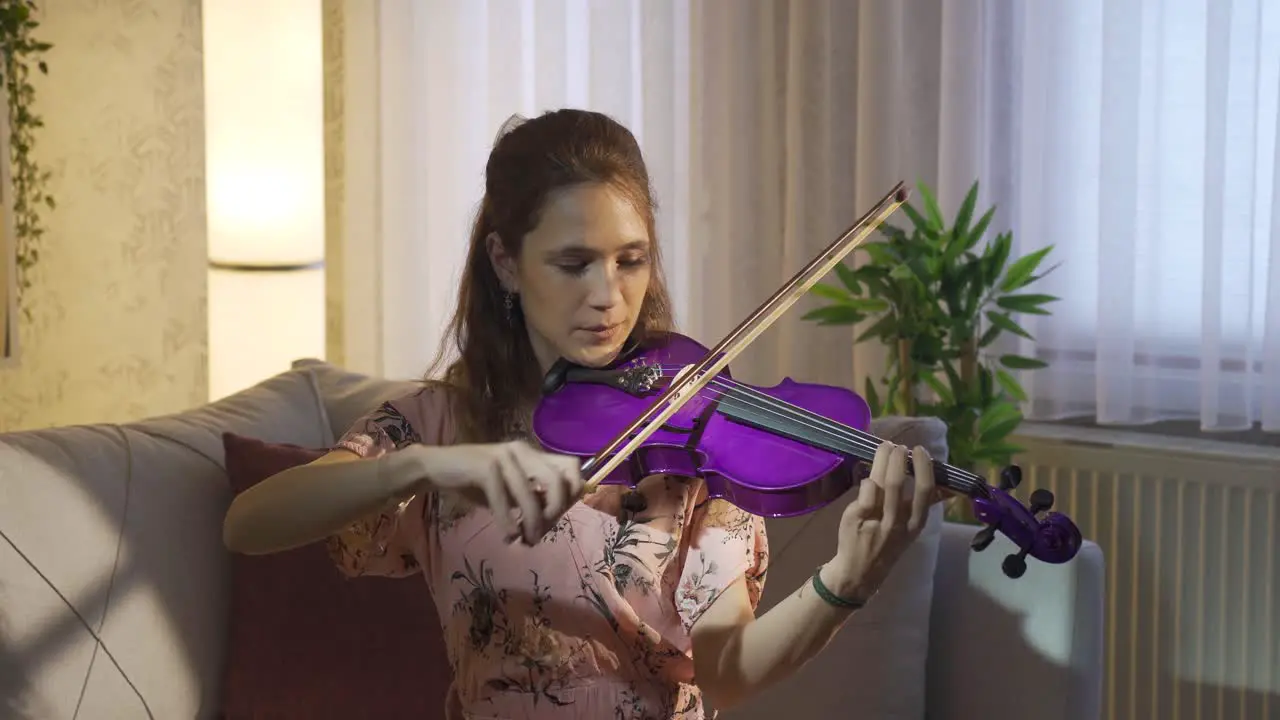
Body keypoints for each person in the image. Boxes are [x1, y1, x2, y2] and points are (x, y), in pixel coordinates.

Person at [222, 108, 948, 719]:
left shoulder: (695, 435)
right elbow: (251, 523)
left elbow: (725, 672)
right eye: (575, 264)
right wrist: (419, 465)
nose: (609, 295)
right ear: (506, 263)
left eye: (631, 260)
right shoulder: (443, 425)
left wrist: (848, 576)